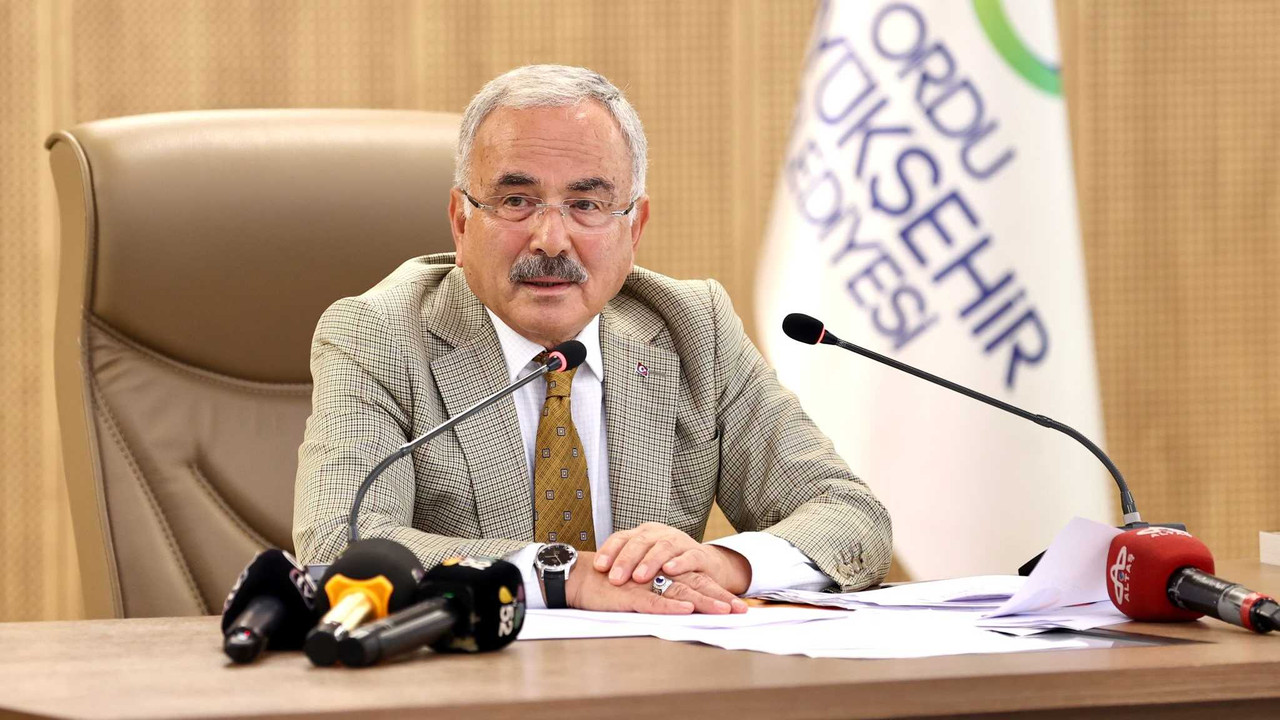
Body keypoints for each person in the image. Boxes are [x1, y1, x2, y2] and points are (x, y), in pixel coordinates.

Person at [293, 64, 892, 614]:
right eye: (516, 201)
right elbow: (340, 542)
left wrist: (724, 562)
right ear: (460, 221)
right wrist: (566, 576)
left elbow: (851, 516)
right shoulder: (377, 335)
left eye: (587, 204)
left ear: (635, 229)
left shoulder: (692, 328)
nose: (551, 240)